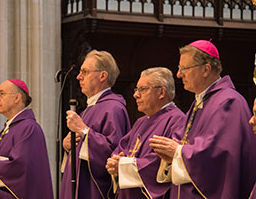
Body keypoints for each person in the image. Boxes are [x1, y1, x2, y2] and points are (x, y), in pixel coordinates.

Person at [149, 40, 256, 198]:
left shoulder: (229, 102)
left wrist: (177, 152)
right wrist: (169, 155)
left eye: (184, 68)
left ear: (206, 69)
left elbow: (220, 158)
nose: (179, 74)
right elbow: (182, 141)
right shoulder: (200, 101)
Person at [60, 50, 131, 199]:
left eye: (85, 72)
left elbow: (114, 152)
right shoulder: (90, 108)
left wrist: (84, 130)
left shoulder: (113, 108)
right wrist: (69, 146)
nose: (79, 77)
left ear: (103, 76)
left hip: (93, 190)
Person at [105, 67, 185, 199]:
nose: (135, 95)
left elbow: (163, 164)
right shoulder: (140, 122)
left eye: (143, 89)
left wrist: (123, 165)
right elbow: (121, 150)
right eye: (137, 89)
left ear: (161, 92)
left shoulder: (177, 120)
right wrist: (114, 164)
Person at [0, 79, 54, 199]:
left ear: (17, 98)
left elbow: (20, 168)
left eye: (2, 94)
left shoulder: (29, 128)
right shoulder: (10, 128)